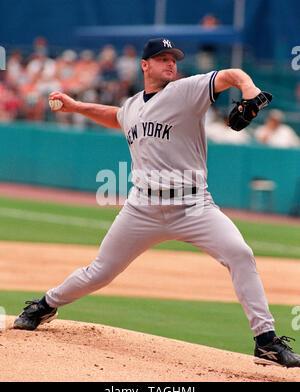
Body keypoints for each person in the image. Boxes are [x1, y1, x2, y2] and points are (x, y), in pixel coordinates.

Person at [14, 38, 300, 368]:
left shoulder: (186, 91)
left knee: (241, 254)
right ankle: (45, 304)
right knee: (100, 272)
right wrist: (76, 106)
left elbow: (233, 74)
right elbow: (118, 117)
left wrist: (250, 93)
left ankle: (265, 342)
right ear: (144, 65)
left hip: (194, 206)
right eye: (161, 58)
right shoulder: (134, 104)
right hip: (142, 209)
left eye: (173, 58)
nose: (170, 63)